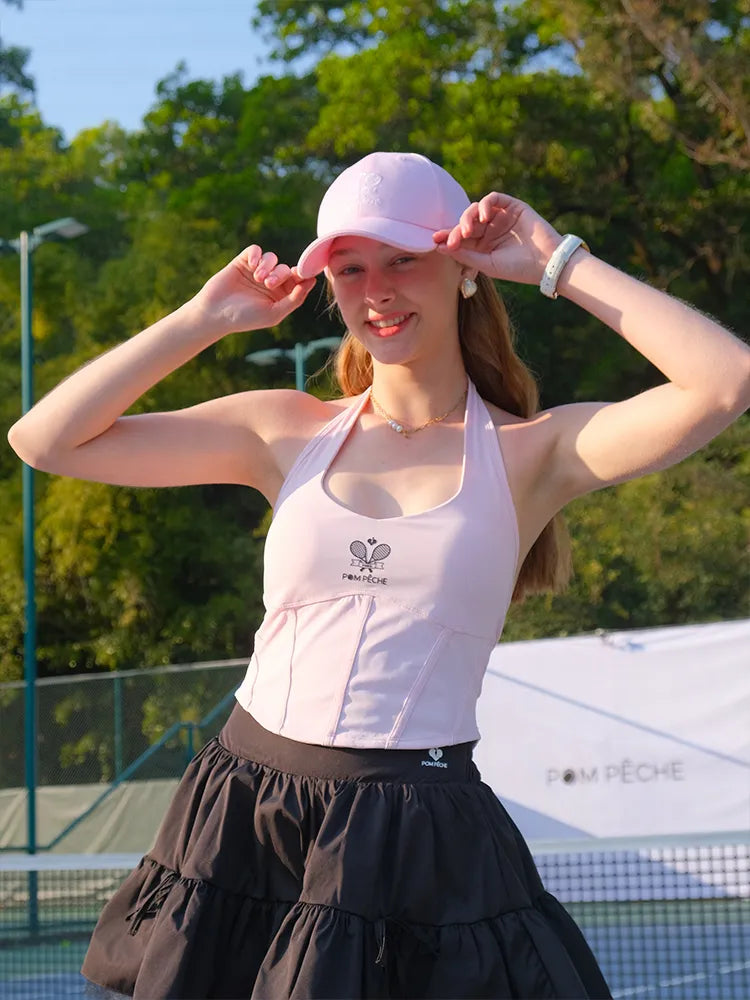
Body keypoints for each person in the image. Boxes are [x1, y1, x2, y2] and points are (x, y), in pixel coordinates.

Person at [8, 151, 749, 1000]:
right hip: (241, 813)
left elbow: (725, 381)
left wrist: (557, 262)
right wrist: (203, 319)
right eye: (351, 270)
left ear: (463, 271)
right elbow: (46, 441)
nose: (377, 292)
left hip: (418, 831)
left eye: (404, 260)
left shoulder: (534, 452)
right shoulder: (281, 427)